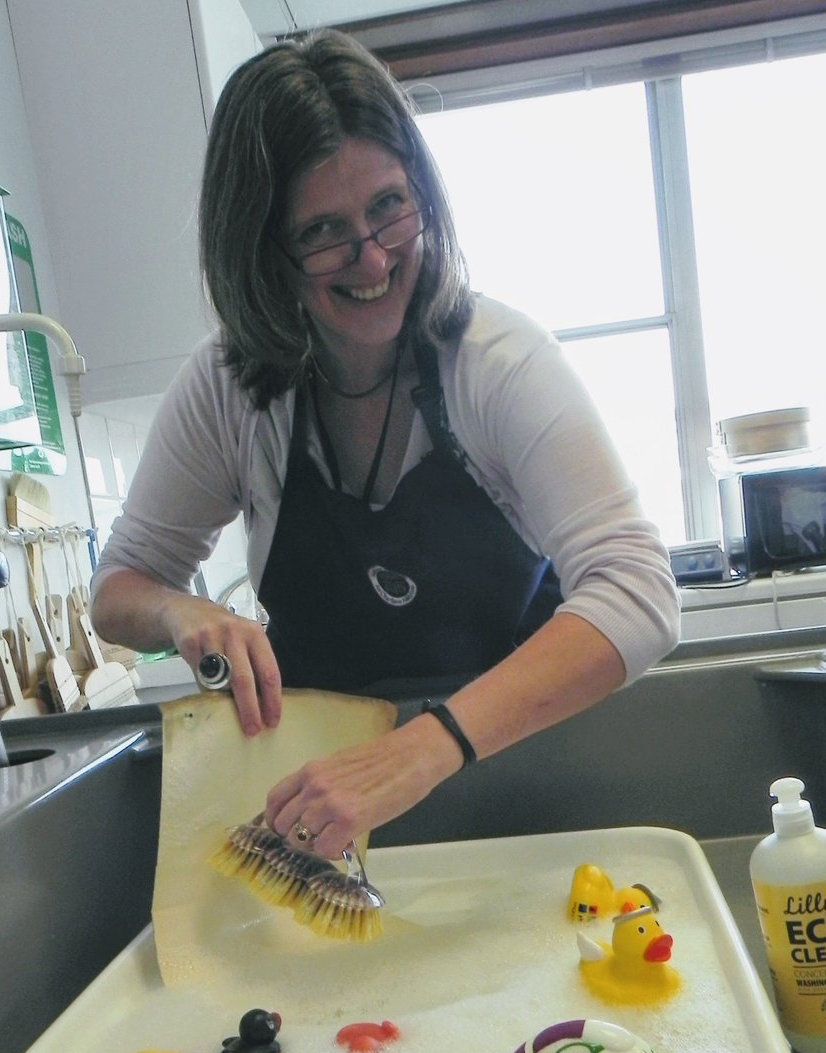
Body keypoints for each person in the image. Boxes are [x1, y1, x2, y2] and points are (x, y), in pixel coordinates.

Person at [91, 29, 680, 861]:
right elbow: (116, 592)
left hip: (524, 807)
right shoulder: (227, 387)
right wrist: (178, 608)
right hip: (327, 836)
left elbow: (637, 592)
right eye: (323, 231)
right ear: (261, 254)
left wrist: (420, 750)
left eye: (389, 208)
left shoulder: (496, 361)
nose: (372, 257)